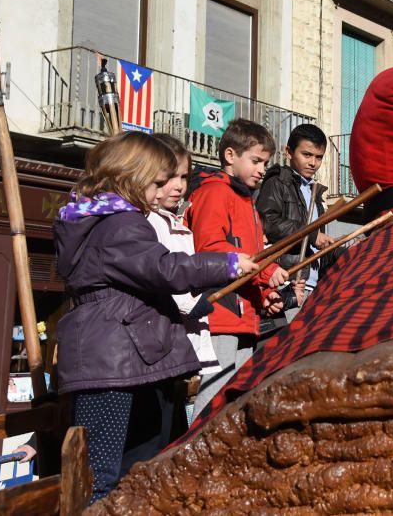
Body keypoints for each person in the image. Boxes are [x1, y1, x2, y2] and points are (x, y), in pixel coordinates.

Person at [53, 131, 265, 501]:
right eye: (157, 182)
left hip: (115, 356)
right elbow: (164, 268)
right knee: (102, 477)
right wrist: (226, 263)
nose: (162, 191)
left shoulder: (98, 220)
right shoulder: (119, 224)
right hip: (112, 359)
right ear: (131, 177)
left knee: (120, 468)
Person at [186, 119, 288, 417]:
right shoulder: (215, 192)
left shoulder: (247, 201)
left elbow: (246, 258)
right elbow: (209, 248)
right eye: (255, 161)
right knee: (215, 392)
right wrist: (267, 272)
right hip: (220, 311)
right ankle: (196, 450)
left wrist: (263, 292)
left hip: (245, 313)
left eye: (265, 163)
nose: (261, 169)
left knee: (237, 395)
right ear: (230, 156)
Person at [148, 134, 220, 424]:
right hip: (158, 344)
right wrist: (189, 303)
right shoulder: (146, 222)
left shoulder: (173, 221)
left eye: (184, 177)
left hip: (178, 344)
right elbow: (161, 272)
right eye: (169, 177)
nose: (179, 186)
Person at [256, 124, 334, 321]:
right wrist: (313, 236)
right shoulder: (277, 182)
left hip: (313, 285)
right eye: (306, 155)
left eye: (318, 157)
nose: (313, 163)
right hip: (287, 281)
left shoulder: (315, 191)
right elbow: (269, 223)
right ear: (288, 152)